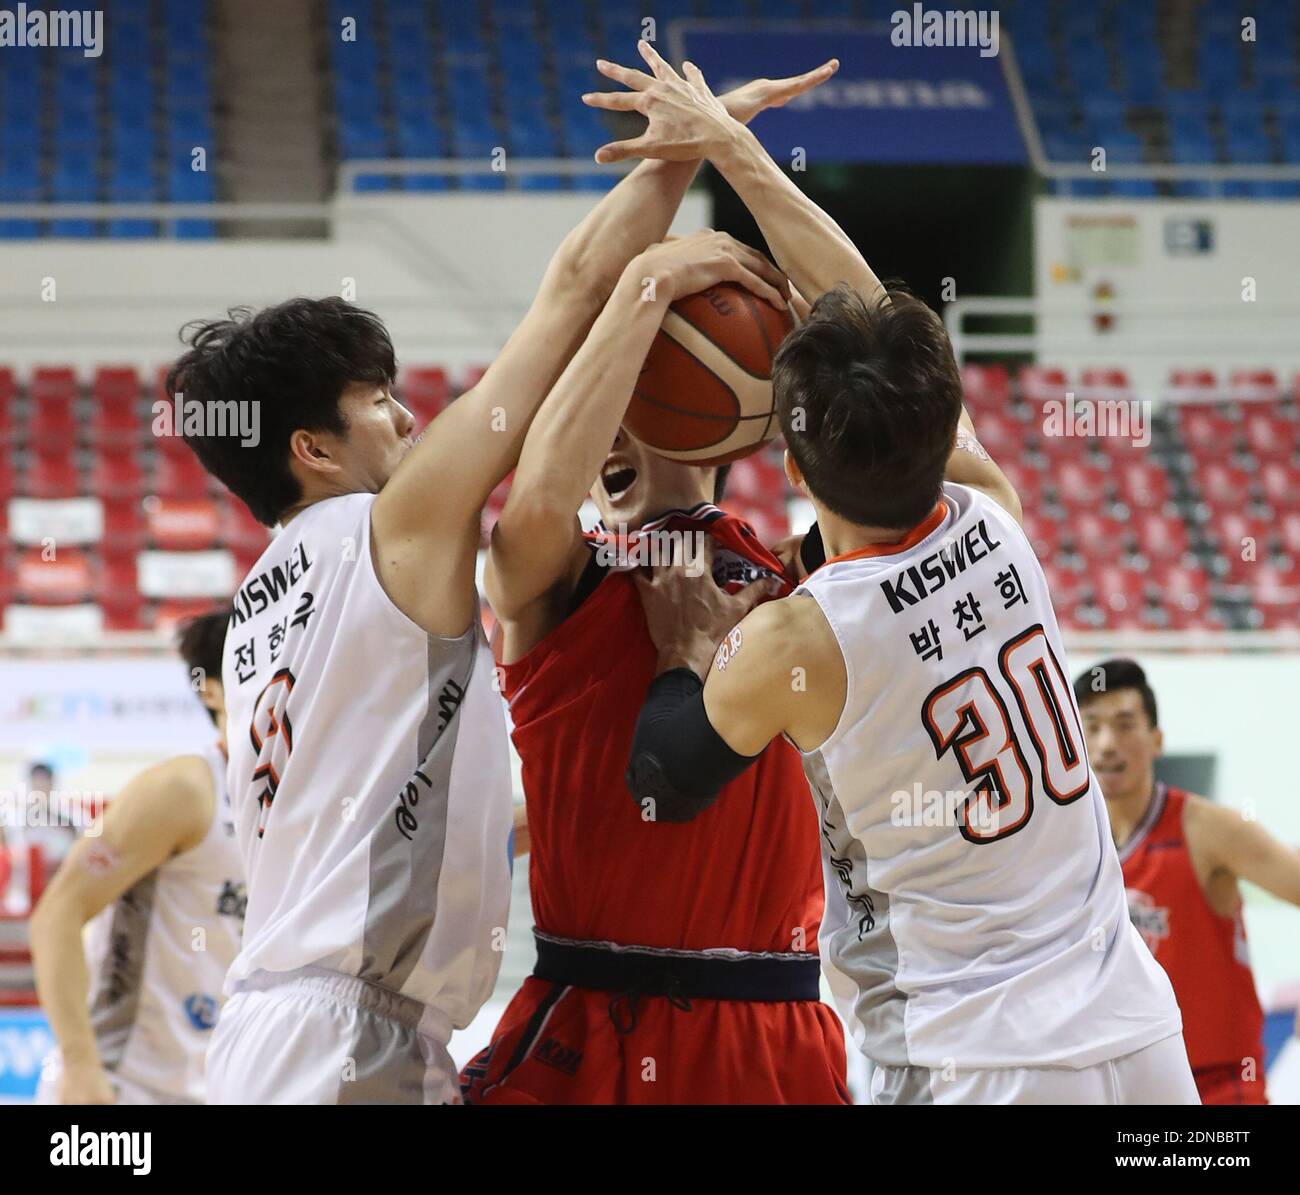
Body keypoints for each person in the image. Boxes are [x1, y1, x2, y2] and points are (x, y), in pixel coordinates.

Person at [171, 63, 796, 1104]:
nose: (407, 420)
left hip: (286, 1030)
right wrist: (687, 166)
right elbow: (565, 300)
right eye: (376, 400)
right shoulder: (386, 530)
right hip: (342, 1041)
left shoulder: (257, 611)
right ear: (313, 448)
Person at [596, 42, 1196, 1105]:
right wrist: (737, 149)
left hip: (977, 1059)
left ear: (787, 462)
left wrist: (691, 646)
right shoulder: (998, 517)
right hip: (1139, 1034)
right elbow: (863, 306)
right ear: (938, 425)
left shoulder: (798, 638)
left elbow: (662, 777)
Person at [462, 91, 849, 1095]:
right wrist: (647, 286)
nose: (609, 441)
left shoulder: (802, 580)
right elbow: (539, 490)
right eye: (600, 415)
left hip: (774, 1023)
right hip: (592, 1012)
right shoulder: (557, 575)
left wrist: (736, 160)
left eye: (642, 403)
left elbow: (896, 390)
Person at [30, 612, 243, 1105]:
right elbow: (55, 915)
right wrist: (81, 1066)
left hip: (220, 1087)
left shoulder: (290, 802)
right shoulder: (183, 788)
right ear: (210, 690)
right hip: (122, 1086)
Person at [1075, 657, 1300, 1105]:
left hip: (1216, 1088)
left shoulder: (1208, 829)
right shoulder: (1067, 849)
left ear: (1156, 740)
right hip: (1113, 1089)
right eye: (1092, 727)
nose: (1106, 745)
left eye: (1124, 726)